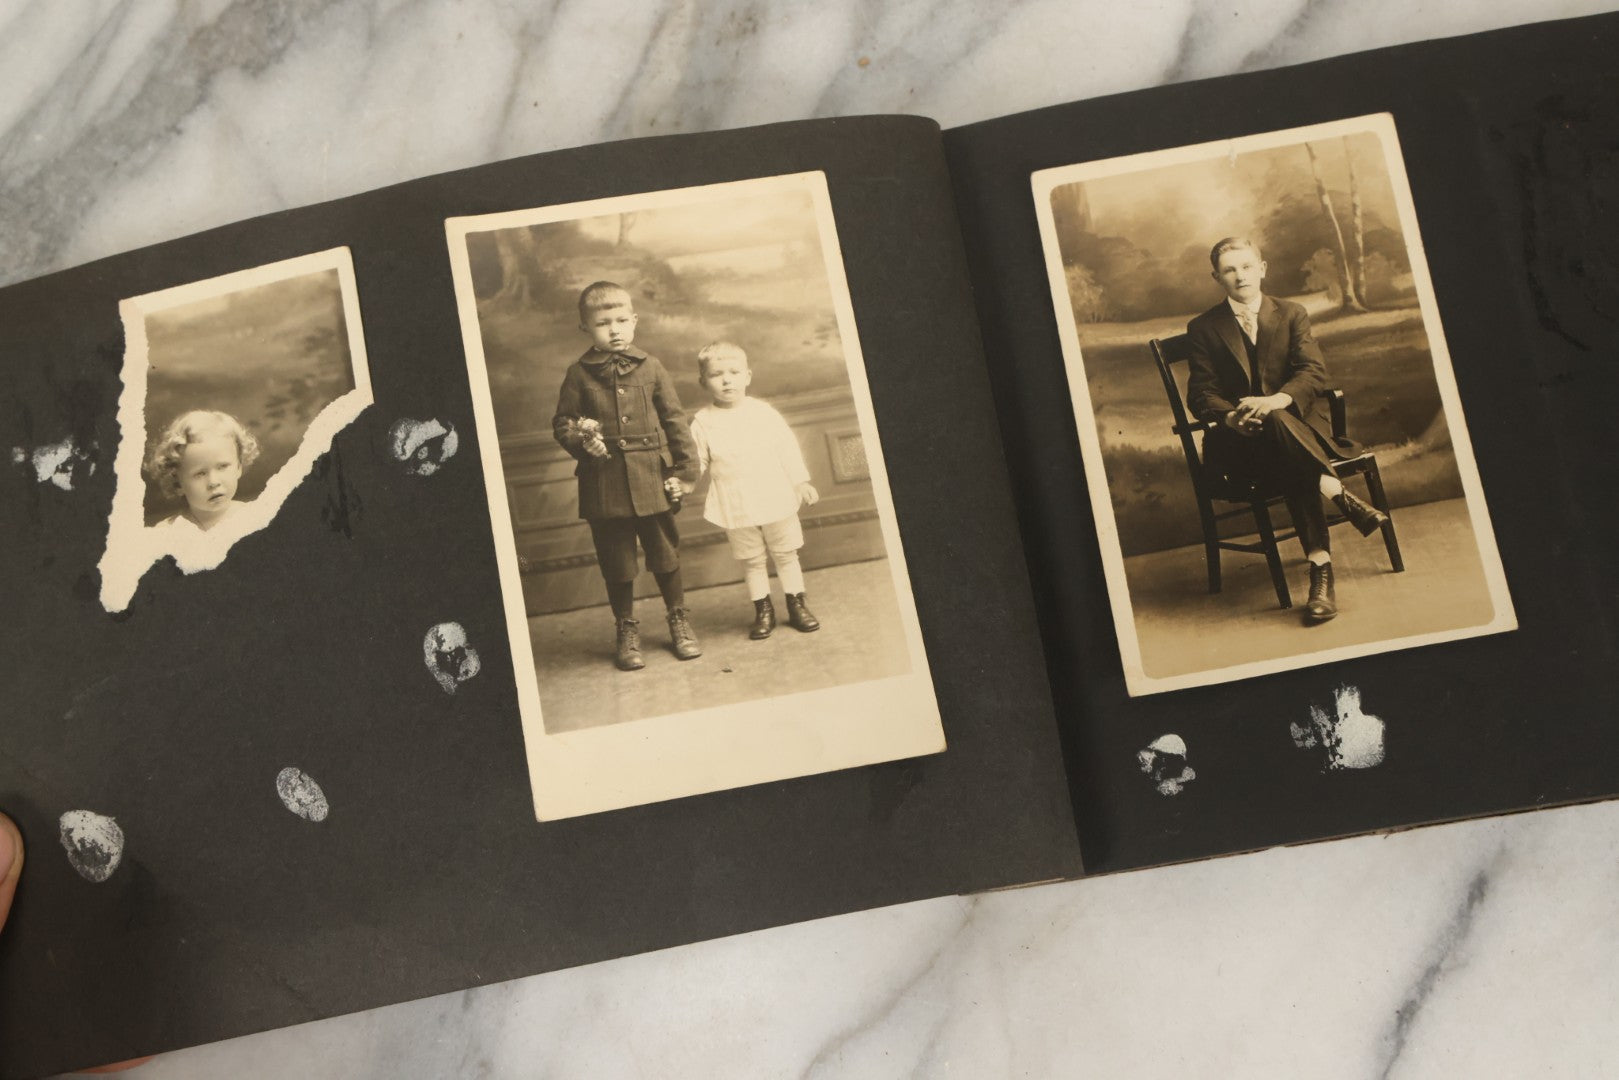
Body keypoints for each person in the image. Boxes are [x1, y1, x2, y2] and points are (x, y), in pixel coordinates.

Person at [1184, 237, 1389, 623]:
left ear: (1262, 269)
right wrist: (1230, 418)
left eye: (1246, 267)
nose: (1239, 276)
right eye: (1229, 270)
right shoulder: (1204, 328)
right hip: (1241, 444)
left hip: (1295, 429)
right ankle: (1339, 495)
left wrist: (1277, 401)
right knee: (1286, 446)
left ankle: (1321, 567)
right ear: (1217, 277)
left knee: (1281, 429)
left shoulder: (1292, 313)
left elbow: (1313, 372)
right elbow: (1201, 392)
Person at [552, 282, 701, 670]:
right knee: (616, 559)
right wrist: (584, 445)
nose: (614, 330)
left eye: (621, 320)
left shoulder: (651, 367)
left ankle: (679, 620)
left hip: (652, 475)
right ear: (586, 328)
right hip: (604, 483)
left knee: (665, 553)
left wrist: (685, 472)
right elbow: (563, 423)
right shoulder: (578, 374)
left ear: (634, 320)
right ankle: (626, 628)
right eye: (603, 323)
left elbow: (674, 420)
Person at [687, 342, 821, 639]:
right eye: (717, 374)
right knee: (751, 558)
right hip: (735, 498)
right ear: (703, 382)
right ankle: (763, 610)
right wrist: (682, 483)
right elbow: (697, 461)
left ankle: (797, 603)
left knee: (786, 552)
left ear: (747, 376)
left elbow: (787, 448)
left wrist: (801, 481)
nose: (726, 380)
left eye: (734, 372)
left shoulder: (763, 412)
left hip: (773, 491)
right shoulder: (702, 422)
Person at [144, 409, 261, 534]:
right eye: (200, 473)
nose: (213, 482)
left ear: (239, 466)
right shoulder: (169, 532)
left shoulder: (256, 518)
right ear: (178, 483)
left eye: (222, 466)